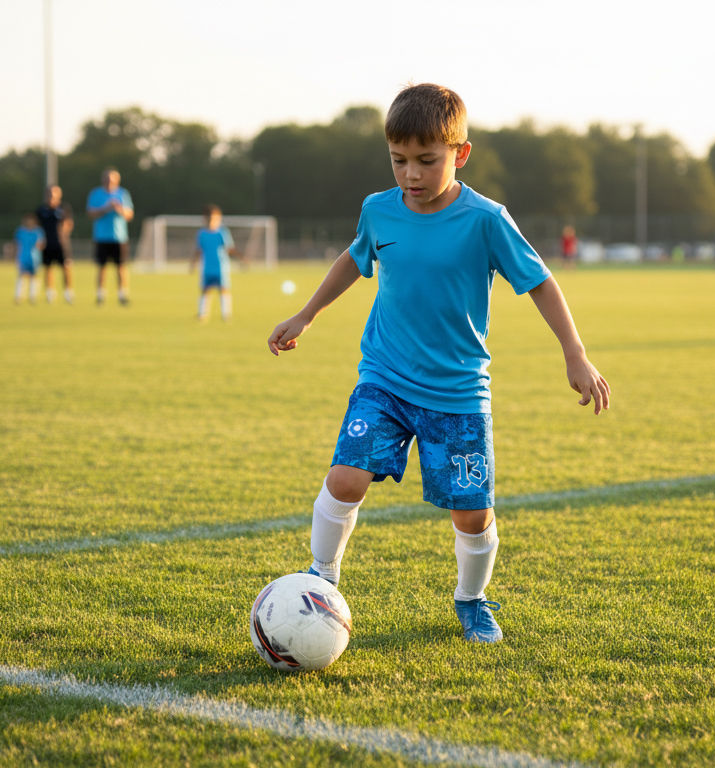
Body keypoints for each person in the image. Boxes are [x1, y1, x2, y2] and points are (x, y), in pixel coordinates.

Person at [267, 84, 610, 645]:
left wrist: (576, 354)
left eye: (427, 161)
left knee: (471, 515)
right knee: (345, 476)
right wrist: (305, 316)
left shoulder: (486, 219)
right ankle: (321, 577)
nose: (411, 174)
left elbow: (542, 284)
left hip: (456, 395)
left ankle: (471, 599)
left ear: (461, 153)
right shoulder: (378, 210)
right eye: (399, 160)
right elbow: (354, 261)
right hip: (384, 378)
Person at [86, 167, 134, 305]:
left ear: (117, 180)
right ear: (102, 180)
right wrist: (105, 208)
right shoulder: (95, 194)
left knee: (121, 267)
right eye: (106, 179)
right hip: (101, 236)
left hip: (119, 237)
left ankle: (122, 295)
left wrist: (119, 209)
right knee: (102, 267)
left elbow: (129, 214)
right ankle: (100, 295)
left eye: (112, 179)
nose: (109, 181)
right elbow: (90, 213)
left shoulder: (123, 194)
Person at [189, 204, 240, 321]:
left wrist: (240, 258)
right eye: (210, 219)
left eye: (215, 219)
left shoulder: (222, 232)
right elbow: (198, 250)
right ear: (205, 219)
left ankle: (226, 314)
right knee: (205, 290)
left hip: (221, 267)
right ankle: (202, 314)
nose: (212, 221)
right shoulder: (202, 233)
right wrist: (193, 263)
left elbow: (229, 248)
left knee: (223, 289)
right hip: (207, 267)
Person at [36, 184, 75, 303]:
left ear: (59, 194)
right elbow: (37, 226)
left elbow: (69, 224)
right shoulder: (41, 210)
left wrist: (63, 231)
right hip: (46, 243)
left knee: (66, 267)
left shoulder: (64, 208)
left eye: (54, 193)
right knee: (48, 268)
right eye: (49, 193)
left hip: (61, 244)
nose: (51, 195)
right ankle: (50, 293)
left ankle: (68, 292)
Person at [13, 214, 46, 304]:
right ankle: (18, 296)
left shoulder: (38, 231)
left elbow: (42, 244)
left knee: (34, 276)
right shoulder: (20, 231)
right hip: (23, 257)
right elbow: (16, 244)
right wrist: (15, 256)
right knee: (21, 275)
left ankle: (33, 296)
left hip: (34, 258)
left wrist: (38, 247)